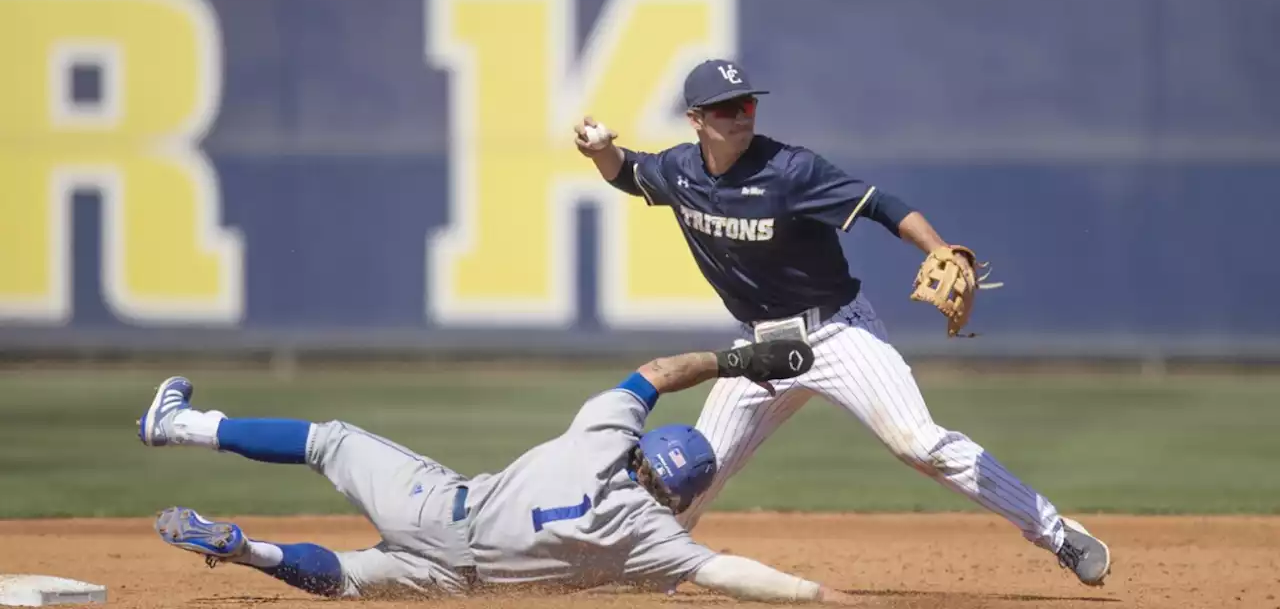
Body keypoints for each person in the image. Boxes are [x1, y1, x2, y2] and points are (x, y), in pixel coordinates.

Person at [573, 58, 1111, 586]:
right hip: (758, 349)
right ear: (696, 119)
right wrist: (602, 151)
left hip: (836, 333)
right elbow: (629, 171)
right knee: (694, 470)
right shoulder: (680, 171)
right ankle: (633, 567)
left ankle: (1057, 532)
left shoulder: (791, 170)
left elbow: (880, 204)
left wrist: (940, 248)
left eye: (746, 103)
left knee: (917, 443)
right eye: (724, 108)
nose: (741, 114)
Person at [137, 339, 860, 603]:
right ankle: (248, 551)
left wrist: (742, 362)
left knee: (328, 441)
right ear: (684, 498)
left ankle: (180, 427)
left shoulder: (604, 437)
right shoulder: (651, 539)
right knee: (353, 582)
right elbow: (725, 573)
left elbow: (658, 371)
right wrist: (819, 594)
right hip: (461, 582)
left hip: (440, 509)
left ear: (646, 451)